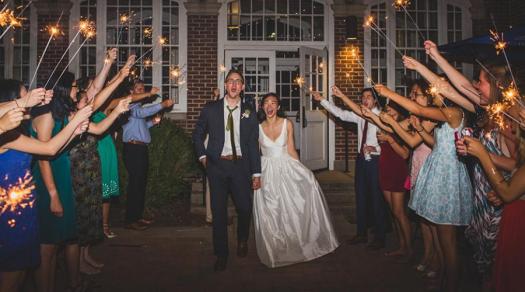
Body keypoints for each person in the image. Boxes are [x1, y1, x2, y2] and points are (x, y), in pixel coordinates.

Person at [374, 82, 473, 292]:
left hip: (447, 177)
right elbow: (435, 144)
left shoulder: (454, 112)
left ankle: (451, 283)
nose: (432, 93)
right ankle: (443, 275)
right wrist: (419, 128)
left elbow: (417, 111)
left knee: (448, 241)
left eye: (433, 91)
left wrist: (388, 93)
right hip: (437, 173)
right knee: (438, 233)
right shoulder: (441, 119)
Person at [0, 79, 91, 292]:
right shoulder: (6, 136)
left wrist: (74, 131)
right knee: (10, 278)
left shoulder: (16, 134)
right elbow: (48, 151)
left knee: (21, 272)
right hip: (7, 216)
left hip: (23, 211)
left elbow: (49, 148)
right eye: (24, 97)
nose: (29, 103)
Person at [253, 93, 339, 268]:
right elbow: (256, 154)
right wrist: (255, 175)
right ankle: (275, 247)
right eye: (266, 103)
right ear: (262, 107)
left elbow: (291, 149)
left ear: (278, 107)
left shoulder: (287, 124)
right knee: (271, 210)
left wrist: (303, 171)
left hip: (286, 168)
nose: (270, 106)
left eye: (273, 103)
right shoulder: (258, 127)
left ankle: (296, 242)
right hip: (266, 170)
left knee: (290, 208)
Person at [193, 69, 261, 271]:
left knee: (245, 208)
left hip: (241, 166)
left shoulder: (249, 111)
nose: (233, 85)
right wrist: (203, 157)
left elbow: (252, 143)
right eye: (230, 81)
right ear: (225, 85)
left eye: (237, 81)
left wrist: (256, 172)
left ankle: (242, 239)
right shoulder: (211, 109)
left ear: (242, 86)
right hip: (217, 166)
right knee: (219, 212)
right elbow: (197, 134)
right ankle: (221, 253)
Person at [314, 86, 387, 249]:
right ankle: (361, 234)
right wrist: (322, 101)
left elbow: (390, 141)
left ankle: (380, 237)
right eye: (363, 97)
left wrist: (376, 149)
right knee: (360, 197)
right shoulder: (360, 115)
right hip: (361, 160)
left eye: (368, 96)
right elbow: (341, 114)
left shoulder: (381, 117)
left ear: (375, 100)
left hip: (376, 161)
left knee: (376, 198)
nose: (365, 99)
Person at [361, 102, 412, 261]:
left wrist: (389, 139)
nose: (387, 111)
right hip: (384, 168)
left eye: (390, 109)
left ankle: (409, 249)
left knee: (399, 212)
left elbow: (404, 154)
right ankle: (401, 246)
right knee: (393, 213)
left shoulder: (405, 128)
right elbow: (385, 149)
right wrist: (373, 149)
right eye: (387, 109)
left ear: (399, 111)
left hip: (397, 170)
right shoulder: (386, 126)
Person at [122, 79, 174, 230]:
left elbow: (142, 124)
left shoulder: (137, 106)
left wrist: (153, 122)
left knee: (140, 184)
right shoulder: (129, 105)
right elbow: (141, 113)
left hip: (140, 149)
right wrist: (162, 105)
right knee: (135, 185)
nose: (142, 91)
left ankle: (137, 217)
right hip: (133, 150)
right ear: (131, 92)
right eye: (138, 89)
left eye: (142, 88)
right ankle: (130, 220)